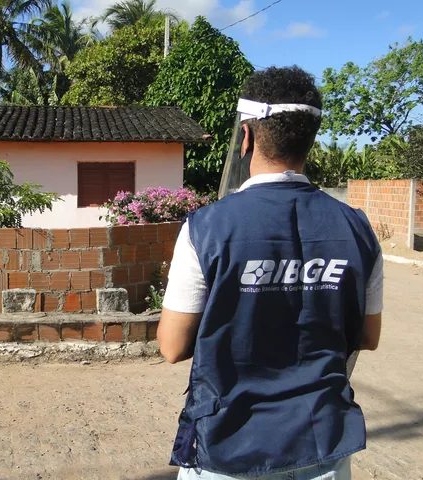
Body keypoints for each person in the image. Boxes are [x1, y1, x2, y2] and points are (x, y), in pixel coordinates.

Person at [157, 66, 383, 480]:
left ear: (246, 136)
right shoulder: (358, 228)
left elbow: (172, 346)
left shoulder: (205, 228)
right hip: (322, 445)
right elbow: (368, 336)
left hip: (229, 447)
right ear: (310, 140)